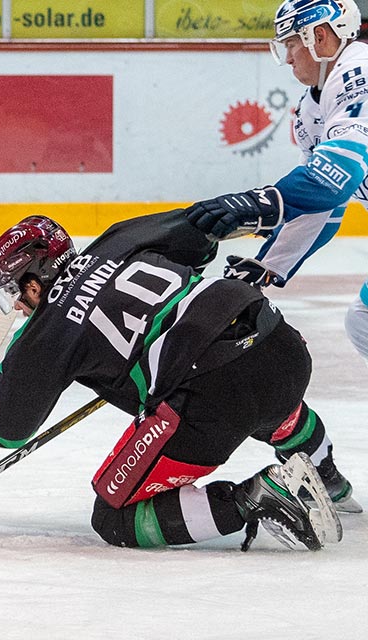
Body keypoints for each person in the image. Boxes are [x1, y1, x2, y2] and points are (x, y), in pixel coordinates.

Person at [0, 207, 357, 550]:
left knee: (113, 517)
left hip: (215, 392)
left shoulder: (46, 332)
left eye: (13, 291)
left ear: (32, 280)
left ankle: (258, 497)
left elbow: (5, 424)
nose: (18, 306)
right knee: (264, 399)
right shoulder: (122, 238)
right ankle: (329, 479)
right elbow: (202, 238)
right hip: (280, 344)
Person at [190, 1, 368, 460]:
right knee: (363, 322)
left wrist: (259, 203)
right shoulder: (311, 112)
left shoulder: (359, 72)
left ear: (322, 38)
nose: (288, 57)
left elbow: (341, 172)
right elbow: (325, 203)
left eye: (292, 43)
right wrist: (266, 265)